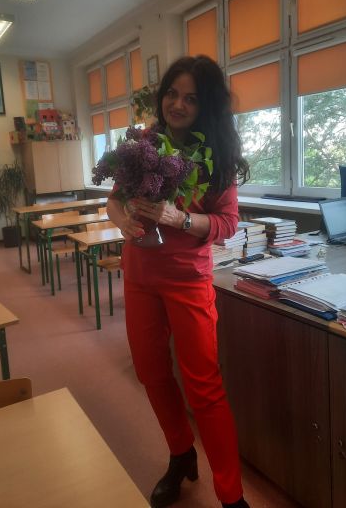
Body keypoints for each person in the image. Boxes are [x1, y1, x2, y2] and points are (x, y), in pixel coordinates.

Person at [107, 55, 250, 508]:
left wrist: (179, 218)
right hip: (140, 275)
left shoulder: (218, 157)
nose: (178, 104)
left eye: (191, 98)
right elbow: (113, 201)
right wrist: (122, 221)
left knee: (204, 385)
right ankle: (180, 452)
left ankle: (231, 495)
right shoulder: (144, 145)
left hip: (188, 279)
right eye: (172, 93)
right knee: (151, 374)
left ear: (206, 105)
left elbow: (227, 223)